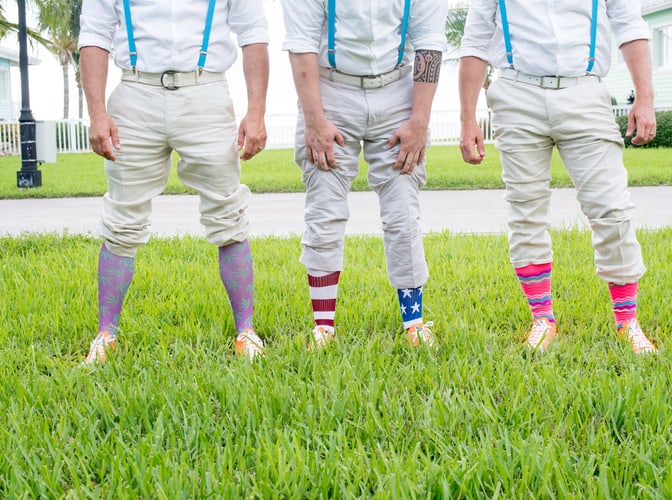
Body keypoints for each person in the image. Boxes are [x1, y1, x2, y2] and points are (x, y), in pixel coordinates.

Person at [458, 0, 658, 354]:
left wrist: (645, 99)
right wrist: (467, 118)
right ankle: (542, 318)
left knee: (611, 208)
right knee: (525, 210)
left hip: (584, 91)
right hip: (517, 93)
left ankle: (628, 321)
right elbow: (475, 41)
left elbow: (630, 26)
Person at [78, 0, 270, 364]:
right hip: (135, 93)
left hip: (206, 92)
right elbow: (94, 35)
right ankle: (106, 335)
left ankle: (246, 330)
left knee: (227, 209)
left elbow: (254, 34)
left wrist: (256, 111)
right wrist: (98, 113)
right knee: (122, 215)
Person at [281, 0, 448, 348]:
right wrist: (314, 120)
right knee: (325, 205)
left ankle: (414, 323)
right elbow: (302, 43)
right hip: (330, 93)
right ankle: (323, 328)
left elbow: (429, 42)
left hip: (397, 90)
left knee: (403, 209)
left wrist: (420, 120)